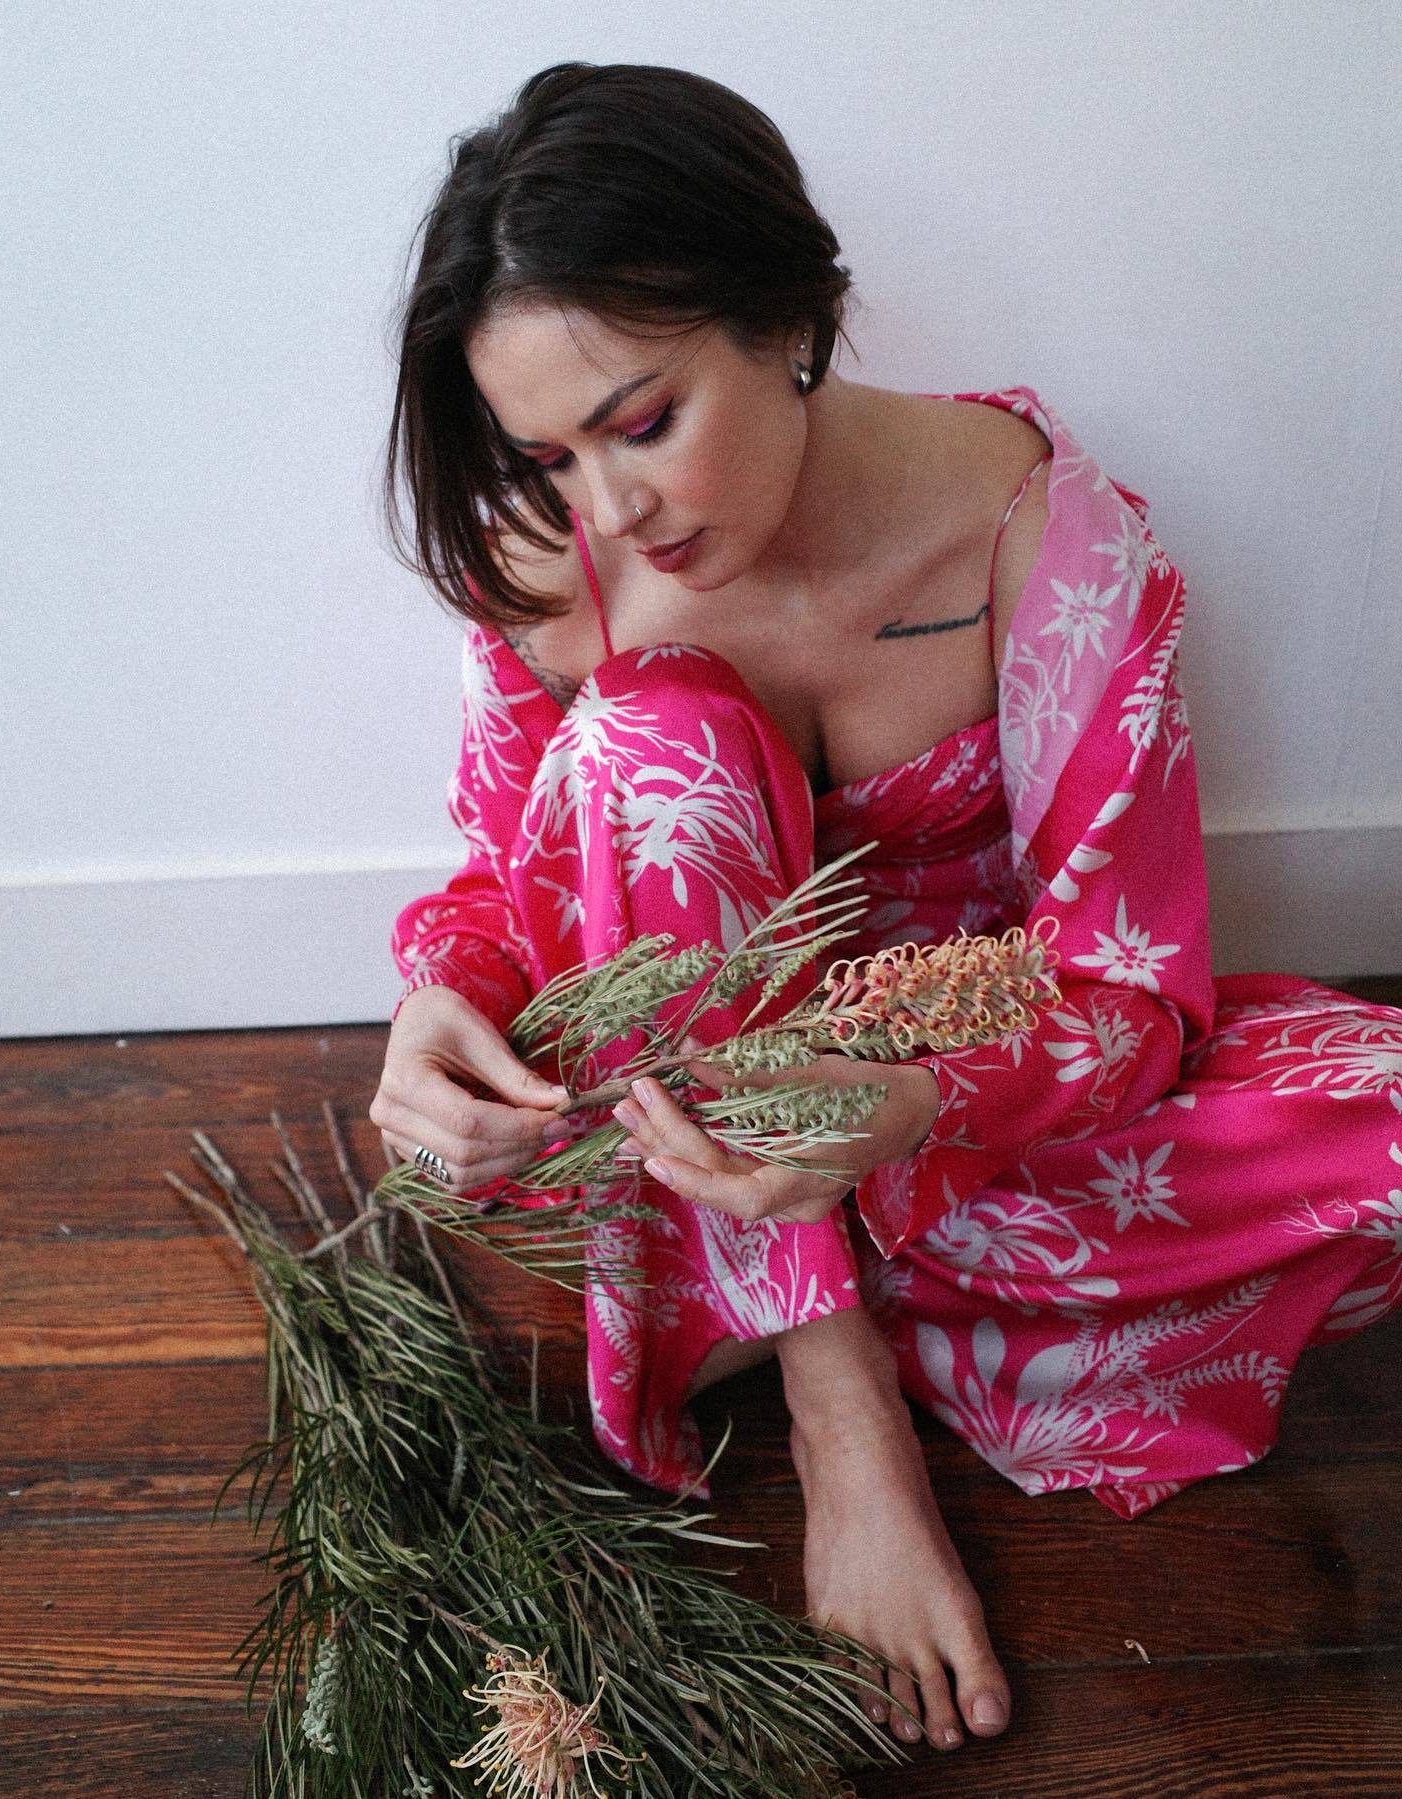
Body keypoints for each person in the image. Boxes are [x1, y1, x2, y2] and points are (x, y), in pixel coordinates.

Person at [368, 61, 1402, 1756]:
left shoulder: (1046, 541)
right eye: (550, 453)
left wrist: (911, 1104)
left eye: (643, 423)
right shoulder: (555, 567)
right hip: (673, 1130)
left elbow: (1129, 991)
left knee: (1383, 1117)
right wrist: (442, 1000)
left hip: (960, 1118)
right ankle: (842, 1391)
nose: (610, 511)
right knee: (649, 744)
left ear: (791, 316)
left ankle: (769, 1311)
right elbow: (504, 883)